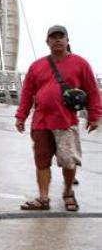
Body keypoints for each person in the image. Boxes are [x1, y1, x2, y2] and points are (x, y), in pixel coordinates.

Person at [15, 25, 100, 212]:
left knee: (69, 161)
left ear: (68, 40)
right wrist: (21, 116)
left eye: (61, 37)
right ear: (47, 42)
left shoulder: (80, 64)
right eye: (53, 38)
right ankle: (43, 198)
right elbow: (27, 93)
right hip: (41, 122)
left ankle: (68, 193)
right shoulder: (37, 66)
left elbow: (92, 91)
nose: (57, 40)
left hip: (66, 121)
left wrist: (94, 116)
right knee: (42, 161)